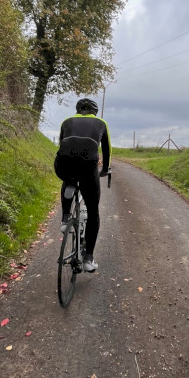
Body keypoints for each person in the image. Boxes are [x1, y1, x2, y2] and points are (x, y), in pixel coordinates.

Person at [54, 98, 111, 273]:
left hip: (63, 165)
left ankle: (65, 219)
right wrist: (105, 169)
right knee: (93, 212)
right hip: (88, 166)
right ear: (94, 111)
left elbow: (63, 144)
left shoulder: (66, 121)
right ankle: (88, 259)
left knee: (68, 179)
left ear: (78, 110)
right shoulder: (101, 123)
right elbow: (106, 150)